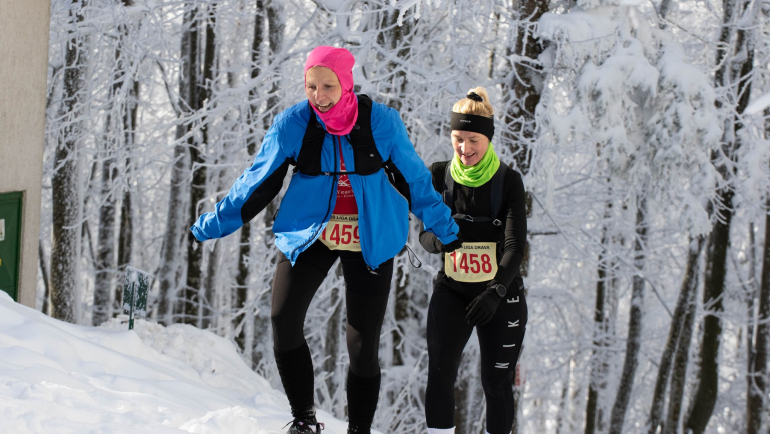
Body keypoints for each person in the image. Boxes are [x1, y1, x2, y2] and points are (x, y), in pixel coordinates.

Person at [190, 46, 461, 434]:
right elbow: (256, 183)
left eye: (328, 85)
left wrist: (444, 228)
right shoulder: (293, 125)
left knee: (362, 345)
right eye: (311, 86)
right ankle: (304, 419)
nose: (319, 96)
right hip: (311, 231)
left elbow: (415, 179)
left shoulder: (380, 123)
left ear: (346, 83)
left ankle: (359, 430)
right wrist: (210, 225)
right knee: (283, 320)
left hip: (370, 234)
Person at [419, 88, 528, 434]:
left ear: (488, 138)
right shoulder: (438, 175)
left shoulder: (509, 182)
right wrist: (439, 239)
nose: (464, 149)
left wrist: (495, 291)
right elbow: (424, 236)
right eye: (458, 139)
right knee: (439, 374)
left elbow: (515, 246)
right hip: (452, 291)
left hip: (500, 294)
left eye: (473, 140)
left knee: (496, 385)